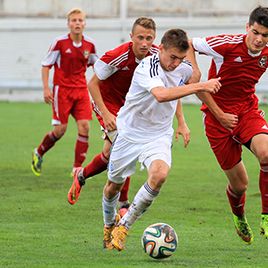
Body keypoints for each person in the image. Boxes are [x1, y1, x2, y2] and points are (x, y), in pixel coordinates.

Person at [100, 28, 221, 251]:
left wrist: (200, 117)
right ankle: (109, 225)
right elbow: (162, 94)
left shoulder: (182, 68)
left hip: (158, 135)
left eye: (181, 59)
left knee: (160, 174)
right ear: (161, 49)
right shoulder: (148, 66)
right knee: (112, 188)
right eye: (173, 57)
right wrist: (201, 84)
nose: (176, 64)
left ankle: (124, 226)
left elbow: (187, 87)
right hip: (129, 133)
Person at [188, 5, 268, 244]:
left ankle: (266, 215)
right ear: (247, 28)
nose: (259, 39)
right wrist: (195, 73)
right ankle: (239, 216)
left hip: (246, 111)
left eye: (265, 35)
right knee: (240, 185)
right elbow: (189, 43)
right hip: (216, 118)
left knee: (266, 153)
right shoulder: (226, 44)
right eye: (255, 32)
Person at [67, 17, 158, 215]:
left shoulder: (157, 55)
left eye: (149, 38)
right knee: (126, 145)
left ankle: (82, 175)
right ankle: (124, 204)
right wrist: (106, 114)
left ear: (154, 38)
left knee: (109, 155)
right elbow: (92, 84)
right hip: (107, 103)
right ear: (131, 37)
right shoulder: (117, 56)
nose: (144, 43)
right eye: (140, 37)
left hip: (130, 107)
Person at [31, 8, 97, 176]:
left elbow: (98, 67)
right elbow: (46, 65)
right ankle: (39, 152)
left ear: (85, 23)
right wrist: (46, 88)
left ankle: (76, 167)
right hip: (62, 90)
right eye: (74, 20)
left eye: (80, 20)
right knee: (60, 130)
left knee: (85, 126)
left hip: (81, 90)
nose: (77, 23)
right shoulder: (59, 43)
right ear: (68, 24)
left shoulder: (90, 44)